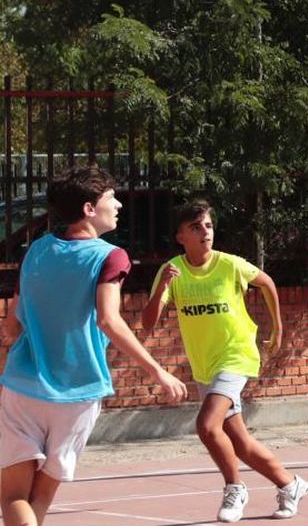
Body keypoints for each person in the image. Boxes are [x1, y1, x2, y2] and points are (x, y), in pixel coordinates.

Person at [0, 167, 188, 526]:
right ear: (89, 208)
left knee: (12, 498)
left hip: (23, 386)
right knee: (40, 497)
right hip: (77, 393)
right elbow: (108, 319)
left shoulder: (35, 251)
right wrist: (157, 370)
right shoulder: (110, 256)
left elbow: (12, 325)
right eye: (111, 198)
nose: (118, 204)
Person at [142, 201, 308, 523]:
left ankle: (235, 488)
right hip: (205, 364)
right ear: (180, 237)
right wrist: (163, 286)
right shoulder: (172, 271)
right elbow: (149, 323)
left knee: (207, 426)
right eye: (195, 227)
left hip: (236, 355)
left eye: (207, 225)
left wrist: (277, 328)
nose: (205, 232)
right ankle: (291, 485)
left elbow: (267, 283)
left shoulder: (229, 264)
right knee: (240, 442)